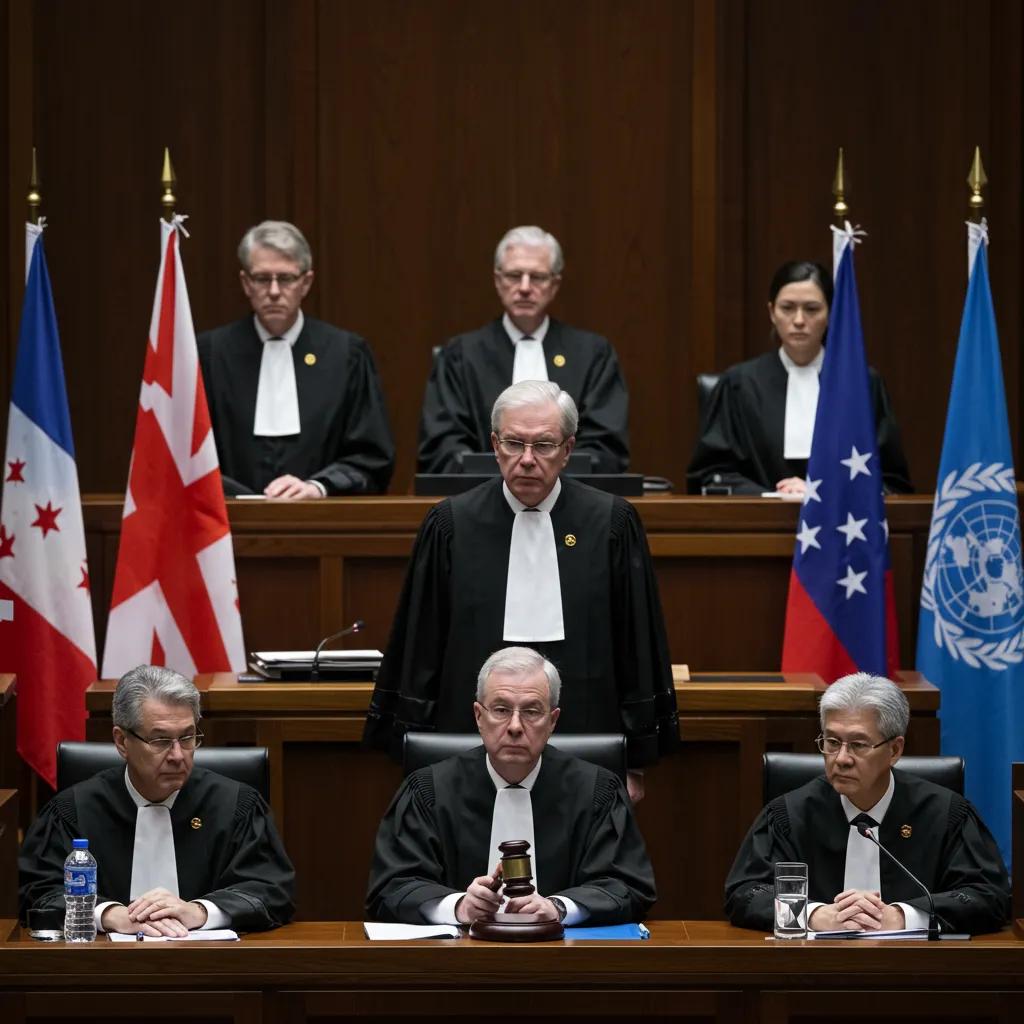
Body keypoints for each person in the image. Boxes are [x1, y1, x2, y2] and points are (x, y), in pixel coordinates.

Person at [365, 380, 678, 803]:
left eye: (544, 445)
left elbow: (636, 646)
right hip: (471, 742)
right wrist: (417, 755)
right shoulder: (450, 525)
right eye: (514, 443)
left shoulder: (612, 524)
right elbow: (421, 646)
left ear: (568, 450)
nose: (527, 460)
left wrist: (634, 759)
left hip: (585, 736)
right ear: (495, 445)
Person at [366, 646, 656, 925]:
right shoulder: (427, 790)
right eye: (501, 710)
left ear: (552, 720)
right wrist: (458, 906)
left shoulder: (598, 791)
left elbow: (627, 886)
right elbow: (392, 888)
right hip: (457, 963)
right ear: (479, 716)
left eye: (531, 711)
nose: (515, 726)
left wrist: (558, 908)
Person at [724, 673, 1009, 935]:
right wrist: (814, 915)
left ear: (894, 750)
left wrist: (904, 916)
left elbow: (990, 896)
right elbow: (744, 893)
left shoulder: (945, 814)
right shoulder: (790, 815)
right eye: (832, 742)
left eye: (858, 745)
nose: (842, 758)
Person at [19, 665, 295, 935]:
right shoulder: (73, 810)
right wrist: (109, 914)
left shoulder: (236, 805)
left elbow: (272, 890)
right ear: (122, 741)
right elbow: (38, 893)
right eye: (161, 740)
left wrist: (200, 911)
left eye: (187, 737)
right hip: (100, 971)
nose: (177, 755)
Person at [197, 220, 395, 498]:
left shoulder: (346, 354)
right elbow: (186, 457)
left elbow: (372, 458)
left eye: (286, 278)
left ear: (306, 283)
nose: (275, 291)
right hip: (225, 525)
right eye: (263, 278)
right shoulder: (210, 354)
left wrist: (318, 487)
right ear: (246, 283)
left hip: (322, 526)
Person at [687, 260, 912, 496]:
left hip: (841, 526)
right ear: (771, 312)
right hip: (758, 525)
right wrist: (775, 496)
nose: (799, 320)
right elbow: (710, 477)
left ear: (831, 313)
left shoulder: (862, 384)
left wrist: (821, 494)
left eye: (812, 309)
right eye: (787, 308)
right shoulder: (739, 384)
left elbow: (891, 481)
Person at [417, 225, 630, 475]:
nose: (525, 287)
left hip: (574, 503)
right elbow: (442, 447)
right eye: (514, 275)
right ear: (498, 281)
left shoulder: (593, 354)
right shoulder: (460, 355)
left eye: (537, 277)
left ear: (554, 284)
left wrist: (550, 478)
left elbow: (605, 449)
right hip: (480, 504)